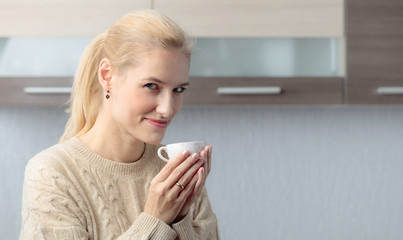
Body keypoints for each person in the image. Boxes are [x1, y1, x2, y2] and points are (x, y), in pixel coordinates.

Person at [19, 9, 220, 240]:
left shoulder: (175, 172)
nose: (167, 108)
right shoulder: (51, 174)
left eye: (178, 90)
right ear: (107, 75)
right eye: (151, 86)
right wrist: (154, 220)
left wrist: (180, 217)